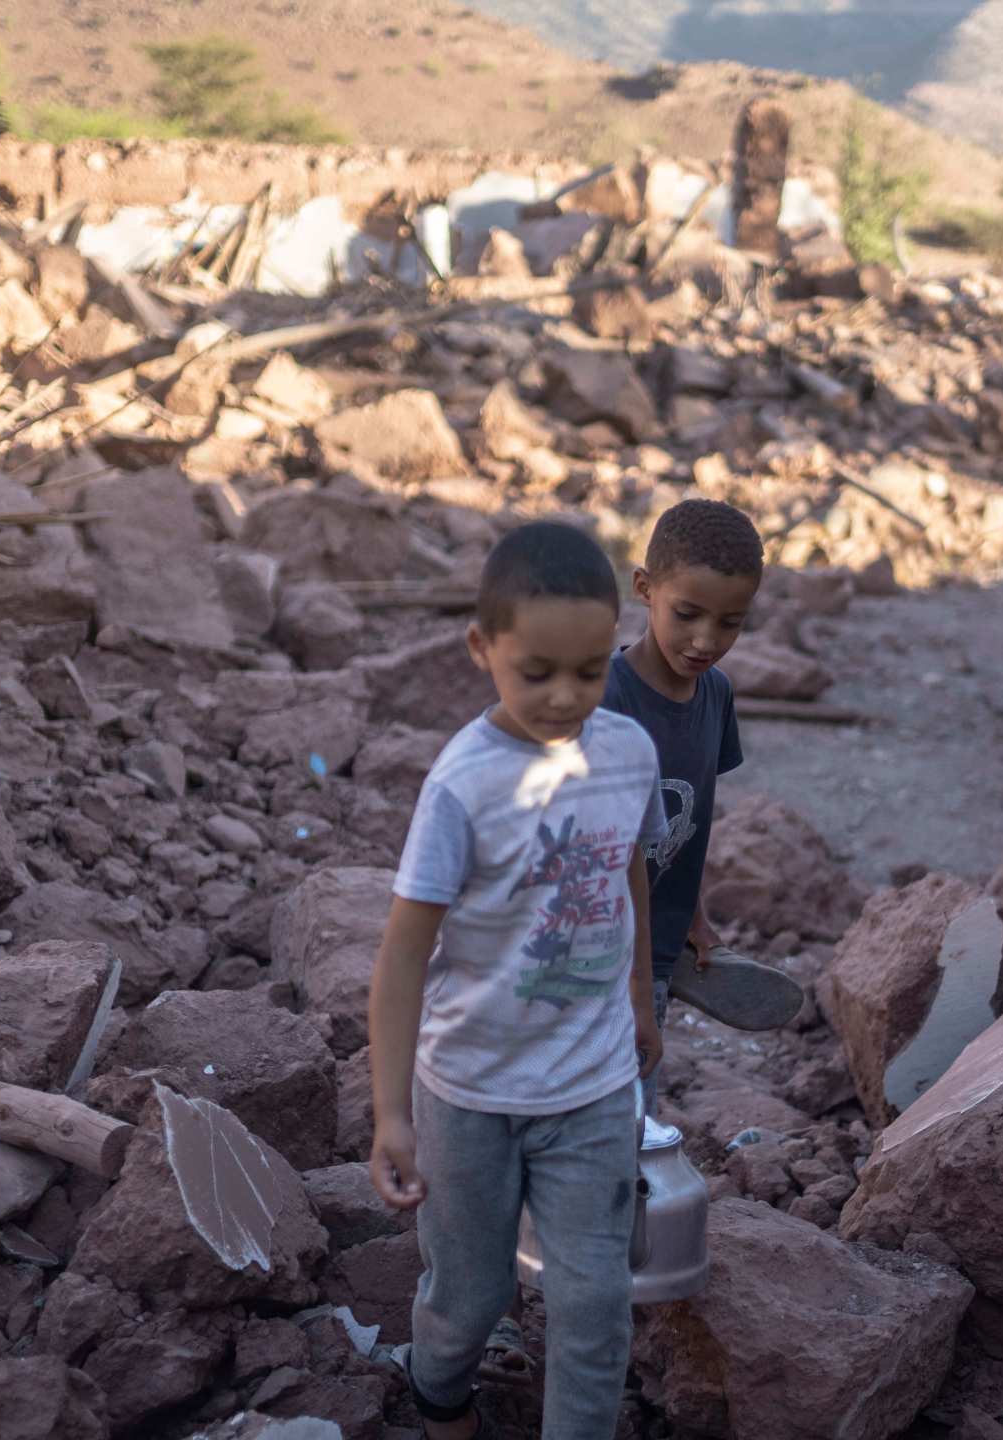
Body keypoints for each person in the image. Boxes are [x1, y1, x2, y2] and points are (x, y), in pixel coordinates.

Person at [365, 520, 664, 1440]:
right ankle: (440, 1396)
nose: (566, 696)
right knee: (468, 1293)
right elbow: (405, 952)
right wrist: (392, 1114)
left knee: (593, 1300)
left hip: (593, 1085)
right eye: (536, 672)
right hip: (470, 1094)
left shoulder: (629, 754)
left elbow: (628, 872)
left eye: (589, 670)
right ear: (481, 648)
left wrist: (641, 995)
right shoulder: (463, 785)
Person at [600, 497, 764, 1023]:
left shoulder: (715, 695)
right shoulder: (603, 701)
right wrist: (633, 978)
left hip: (657, 951)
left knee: (632, 1089)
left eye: (730, 623)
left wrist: (691, 917)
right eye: (687, 615)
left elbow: (684, 828)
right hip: (586, 954)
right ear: (645, 588)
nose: (706, 641)